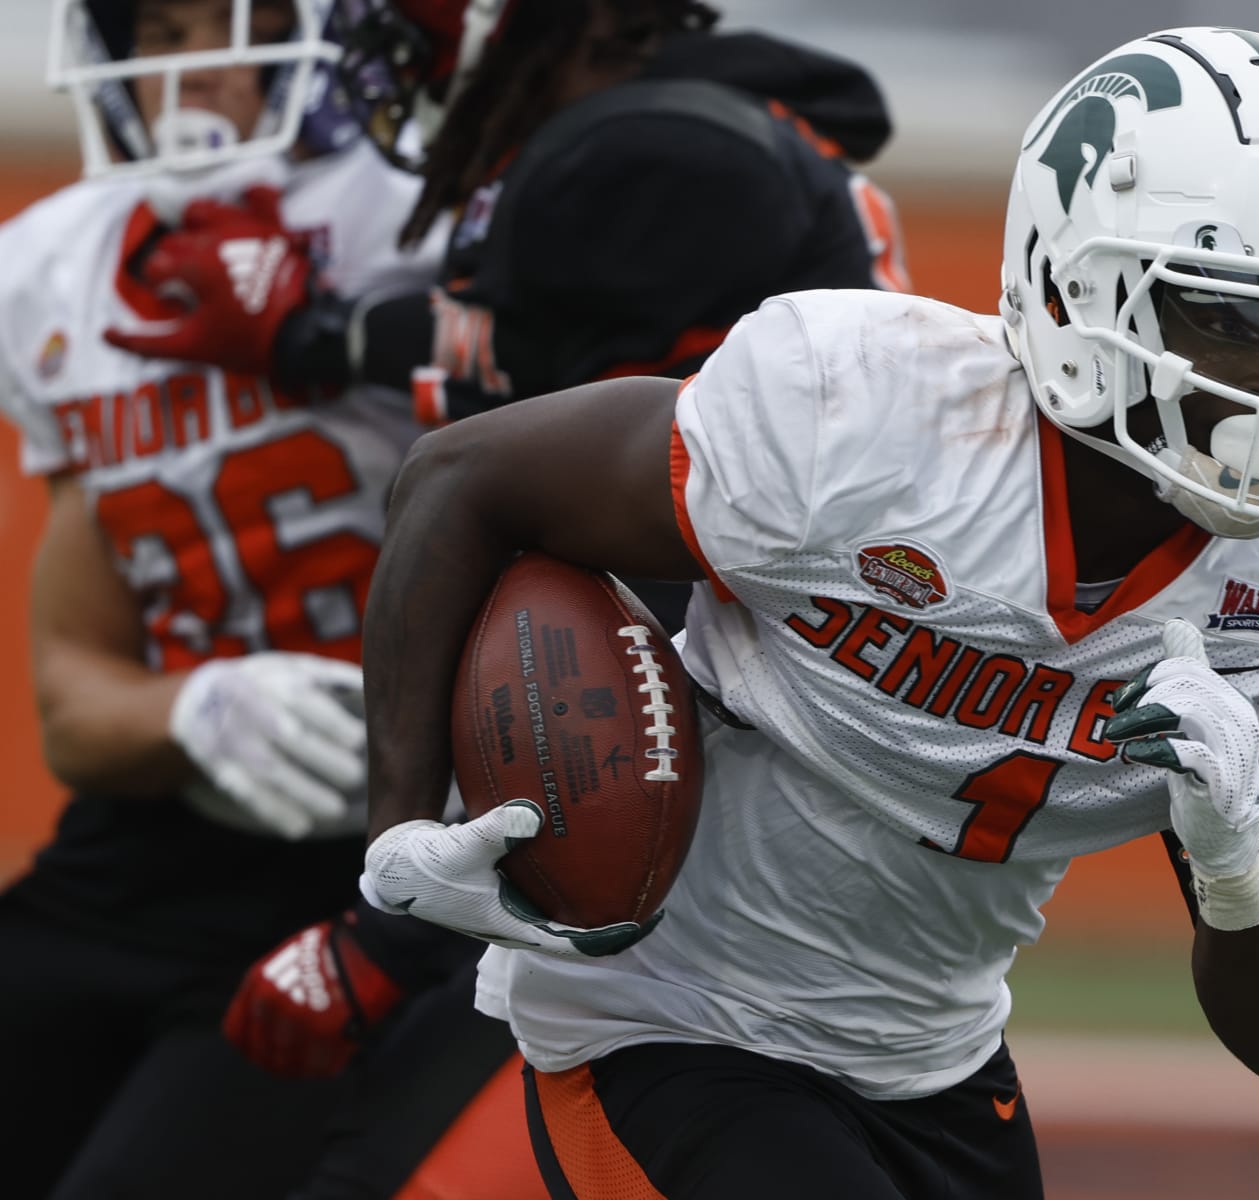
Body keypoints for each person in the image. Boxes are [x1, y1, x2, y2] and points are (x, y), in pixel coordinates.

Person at [356, 25, 1259, 1199]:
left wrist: (1234, 860)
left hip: (934, 1056)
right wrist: (396, 821)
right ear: (1069, 285)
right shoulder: (865, 420)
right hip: (668, 1018)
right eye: (1228, 319)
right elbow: (463, 479)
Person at [71, 1, 909, 1193]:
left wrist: (386, 933)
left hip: (719, 813)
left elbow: (629, 595)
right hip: (772, 760)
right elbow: (539, 355)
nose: (386, 54)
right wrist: (317, 338)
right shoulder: (678, 127)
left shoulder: (638, 156)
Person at [0, 1, 544, 1195]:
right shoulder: (55, 265)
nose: (194, 66)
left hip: (379, 854)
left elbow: (587, 382)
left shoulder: (426, 212)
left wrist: (342, 335)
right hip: (148, 847)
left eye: (231, 20)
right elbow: (73, 703)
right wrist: (193, 711)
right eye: (156, 28)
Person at [109, 0, 910, 634]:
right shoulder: (662, 117)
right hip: (788, 570)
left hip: (777, 605)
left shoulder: (641, 145)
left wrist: (311, 331)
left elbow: (529, 377)